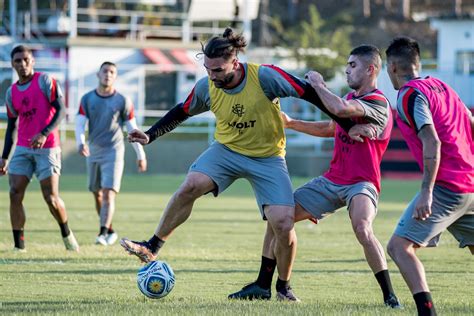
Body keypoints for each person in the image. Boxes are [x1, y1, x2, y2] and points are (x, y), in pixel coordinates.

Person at [119, 28, 356, 302]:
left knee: (283, 222)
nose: (212, 75)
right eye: (208, 69)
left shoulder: (264, 76)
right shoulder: (206, 86)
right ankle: (151, 246)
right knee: (190, 185)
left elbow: (309, 93)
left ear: (235, 61)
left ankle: (282, 288)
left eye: (218, 70)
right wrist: (151, 135)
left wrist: (347, 124)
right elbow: (181, 111)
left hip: (268, 157)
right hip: (226, 150)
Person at [229, 45, 402, 308]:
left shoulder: (378, 102)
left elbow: (340, 109)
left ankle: (390, 296)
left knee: (363, 228)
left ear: (371, 69)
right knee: (279, 216)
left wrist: (318, 84)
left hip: (362, 183)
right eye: (347, 63)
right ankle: (268, 286)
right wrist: (291, 123)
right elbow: (331, 127)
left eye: (353, 64)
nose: (347, 69)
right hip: (332, 181)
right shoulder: (349, 98)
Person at [383, 37, 474, 316]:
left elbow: (432, 142)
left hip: (448, 187)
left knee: (399, 247)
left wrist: (427, 191)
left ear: (393, 67)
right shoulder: (444, 87)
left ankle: (427, 312)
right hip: (470, 184)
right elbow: (471, 122)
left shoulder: (410, 94)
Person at [0, 45, 79, 252]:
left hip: (49, 148)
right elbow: (12, 127)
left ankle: (66, 234)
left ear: (32, 61)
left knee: (51, 198)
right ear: (13, 64)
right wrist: (4, 157)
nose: (22, 64)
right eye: (18, 60)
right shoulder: (11, 92)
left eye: (26, 59)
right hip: (23, 149)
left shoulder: (45, 81)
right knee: (15, 193)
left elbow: (62, 111)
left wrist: (44, 133)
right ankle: (19, 246)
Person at [75, 61, 147, 246]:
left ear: (115, 77)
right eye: (105, 71)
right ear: (98, 75)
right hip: (94, 151)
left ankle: (102, 233)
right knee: (96, 193)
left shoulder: (123, 100)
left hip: (114, 152)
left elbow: (132, 128)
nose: (108, 74)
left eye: (112, 72)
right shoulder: (87, 99)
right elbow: (80, 123)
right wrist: (81, 142)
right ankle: (110, 229)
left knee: (108, 193)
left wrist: (141, 154)